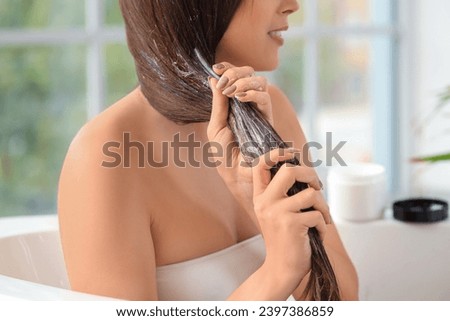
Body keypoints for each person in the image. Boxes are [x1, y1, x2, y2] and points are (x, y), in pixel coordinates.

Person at [58, 0, 358, 301]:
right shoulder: (105, 153)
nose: (293, 5)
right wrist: (278, 273)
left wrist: (253, 201)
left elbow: (344, 305)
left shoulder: (271, 109)